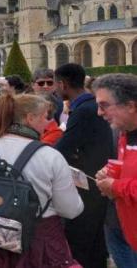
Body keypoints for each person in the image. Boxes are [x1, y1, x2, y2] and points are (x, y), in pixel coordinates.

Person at [0, 93, 83, 266]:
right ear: (30, 118)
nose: (48, 122)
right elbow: (70, 209)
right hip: (38, 242)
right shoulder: (50, 156)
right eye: (45, 117)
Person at [54, 63, 112, 268]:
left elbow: (63, 148)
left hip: (88, 187)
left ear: (62, 84)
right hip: (97, 182)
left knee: (81, 244)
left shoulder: (83, 110)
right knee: (95, 244)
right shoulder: (90, 106)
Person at [93, 74, 137, 265]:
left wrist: (115, 186)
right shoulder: (123, 134)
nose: (99, 113)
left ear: (130, 106)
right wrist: (110, 172)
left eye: (104, 105)